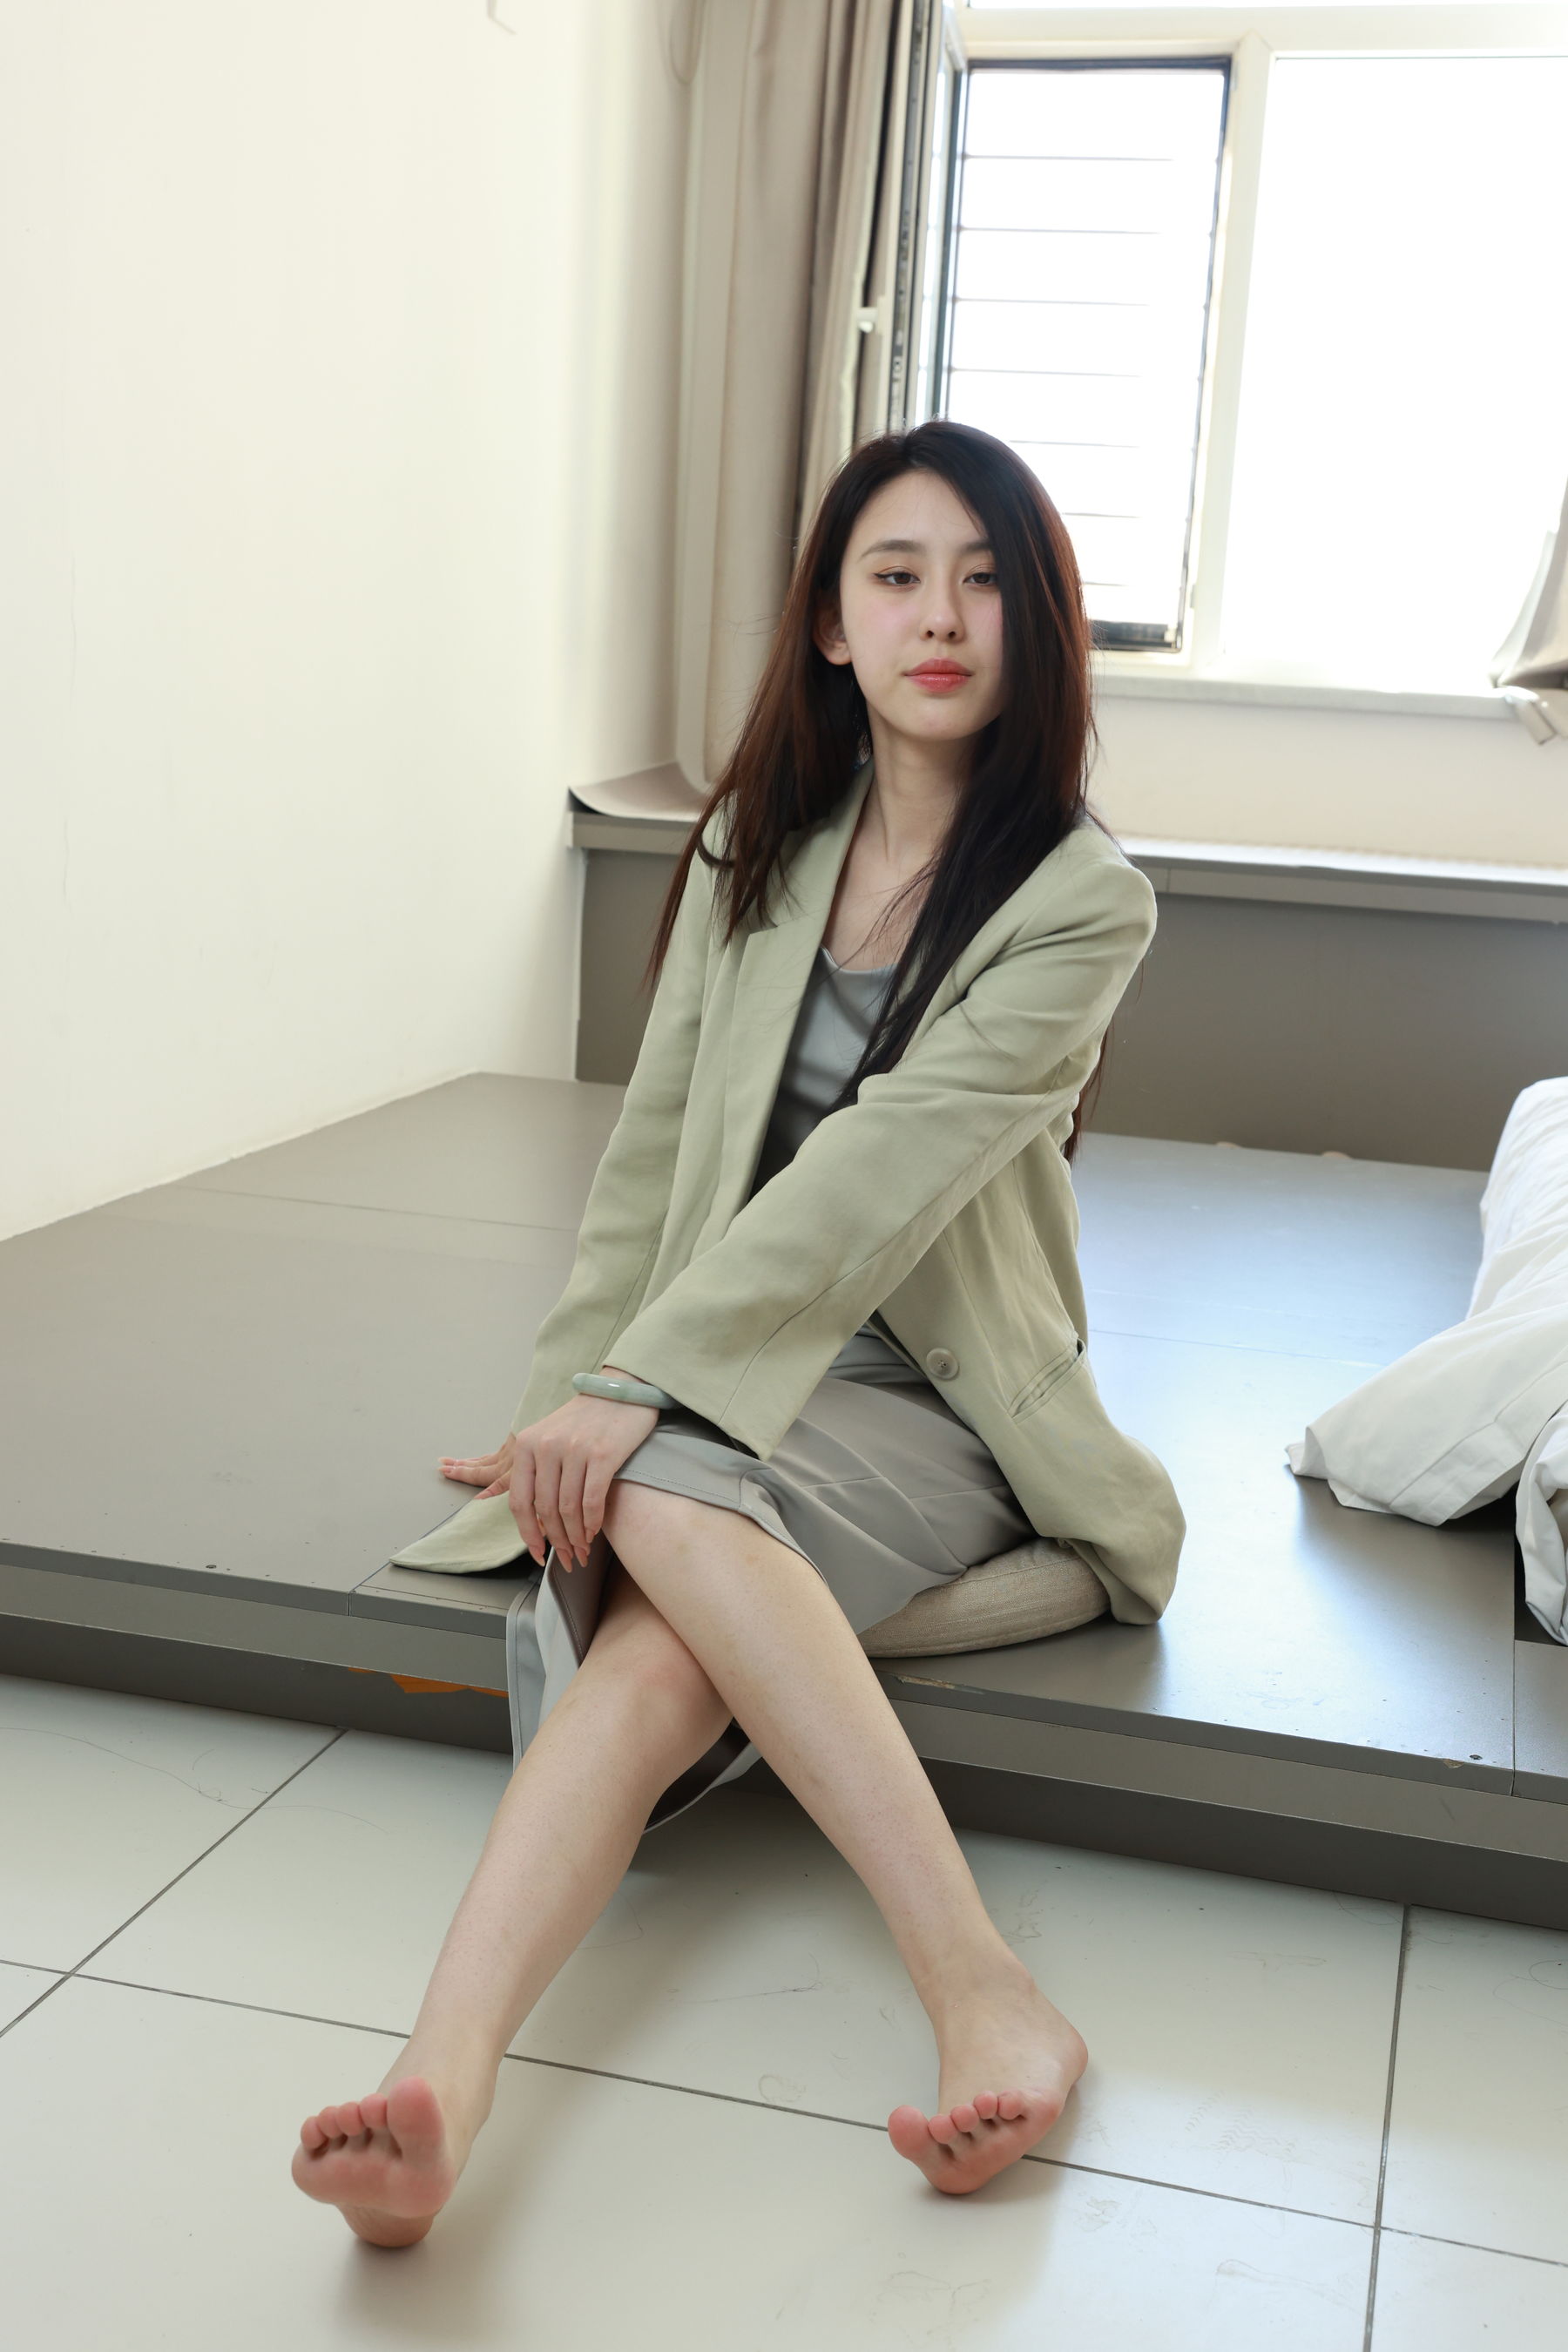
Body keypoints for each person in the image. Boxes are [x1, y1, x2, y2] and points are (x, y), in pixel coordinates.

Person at [290, 419, 1184, 2243]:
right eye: (897, 575)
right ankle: (443, 2084)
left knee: (660, 1506)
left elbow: (877, 1175)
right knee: (657, 1643)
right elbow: (647, 1171)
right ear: (834, 625)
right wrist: (569, 1402)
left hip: (925, 1393)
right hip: (721, 1372)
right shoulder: (754, 848)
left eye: (988, 580)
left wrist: (636, 1401)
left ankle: (975, 1978)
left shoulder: (1084, 901)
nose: (945, 616)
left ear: (1039, 624)